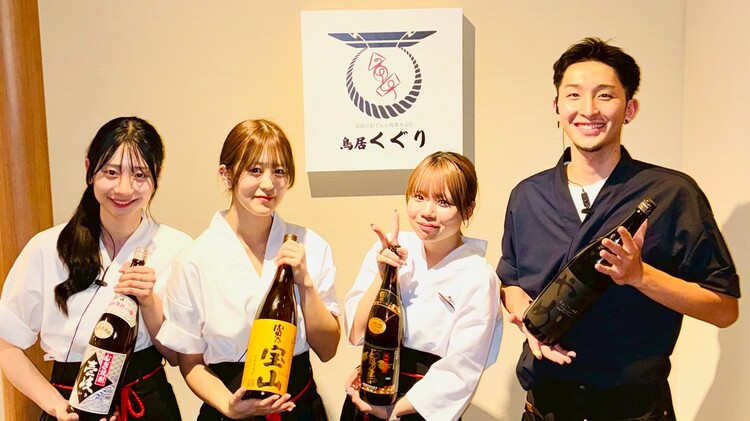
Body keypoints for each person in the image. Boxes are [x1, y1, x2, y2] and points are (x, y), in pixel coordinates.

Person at [498, 37, 740, 421]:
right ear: (557, 107)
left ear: (630, 109)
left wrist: (640, 276)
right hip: (543, 408)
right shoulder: (528, 196)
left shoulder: (671, 194)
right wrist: (528, 318)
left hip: (634, 410)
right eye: (573, 95)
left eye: (605, 95)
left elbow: (724, 310)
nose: (588, 109)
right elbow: (510, 282)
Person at [0, 116, 192, 421]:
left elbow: (178, 356)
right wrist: (55, 405)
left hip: (145, 402)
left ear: (157, 176)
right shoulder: (47, 247)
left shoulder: (178, 248)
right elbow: (6, 343)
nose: (124, 188)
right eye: (111, 172)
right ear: (90, 171)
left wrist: (149, 302)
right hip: (68, 407)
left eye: (139, 174)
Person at [156, 118, 341, 420]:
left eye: (279, 171)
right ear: (226, 175)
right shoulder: (194, 259)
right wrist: (229, 406)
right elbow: (190, 362)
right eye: (255, 170)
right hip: (226, 407)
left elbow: (328, 349)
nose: (268, 184)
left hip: (299, 408)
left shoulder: (311, 245)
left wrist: (305, 284)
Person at [341, 151, 503, 421]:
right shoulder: (390, 248)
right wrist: (382, 275)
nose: (427, 212)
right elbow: (356, 333)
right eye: (419, 197)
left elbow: (463, 368)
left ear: (468, 209)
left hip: (422, 408)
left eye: (443, 201)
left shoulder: (478, 276)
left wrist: (394, 410)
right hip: (370, 393)